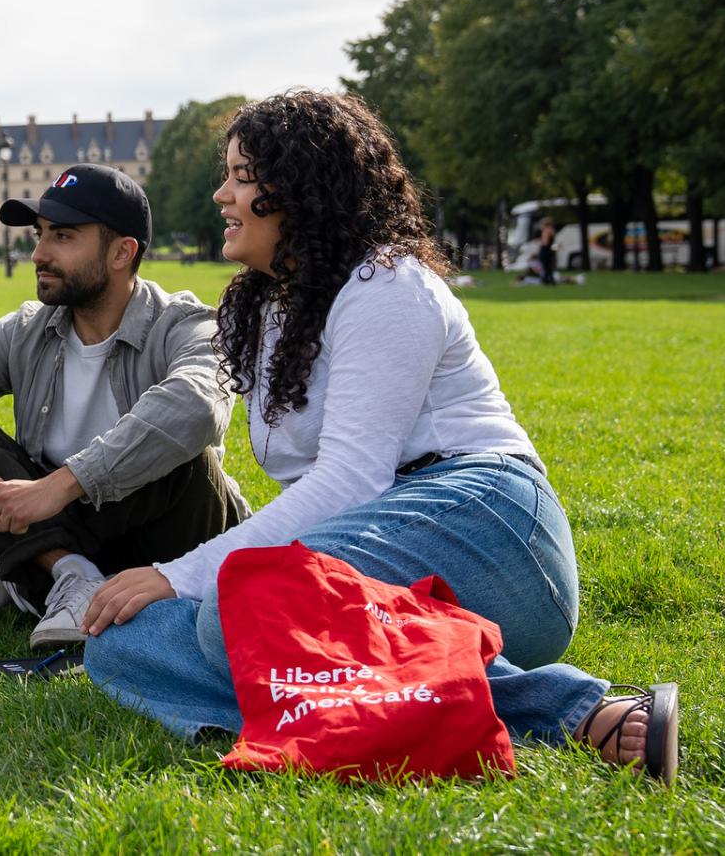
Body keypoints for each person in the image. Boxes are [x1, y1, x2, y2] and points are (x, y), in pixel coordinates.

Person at [80, 91, 678, 783]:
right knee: (120, 645)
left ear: (301, 188)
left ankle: (569, 710)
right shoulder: (270, 308)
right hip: (375, 580)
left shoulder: (386, 284)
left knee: (237, 608)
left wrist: (176, 575)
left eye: (243, 176)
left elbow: (348, 484)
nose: (222, 193)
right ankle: (350, 715)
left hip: (486, 526)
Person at [0, 163, 249, 648]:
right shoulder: (31, 327)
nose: (39, 254)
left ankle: (21, 567)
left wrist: (60, 486)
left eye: (63, 236)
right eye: (40, 235)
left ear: (122, 252)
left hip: (171, 539)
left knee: (182, 446)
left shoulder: (183, 323)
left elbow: (197, 404)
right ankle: (67, 571)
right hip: (63, 523)